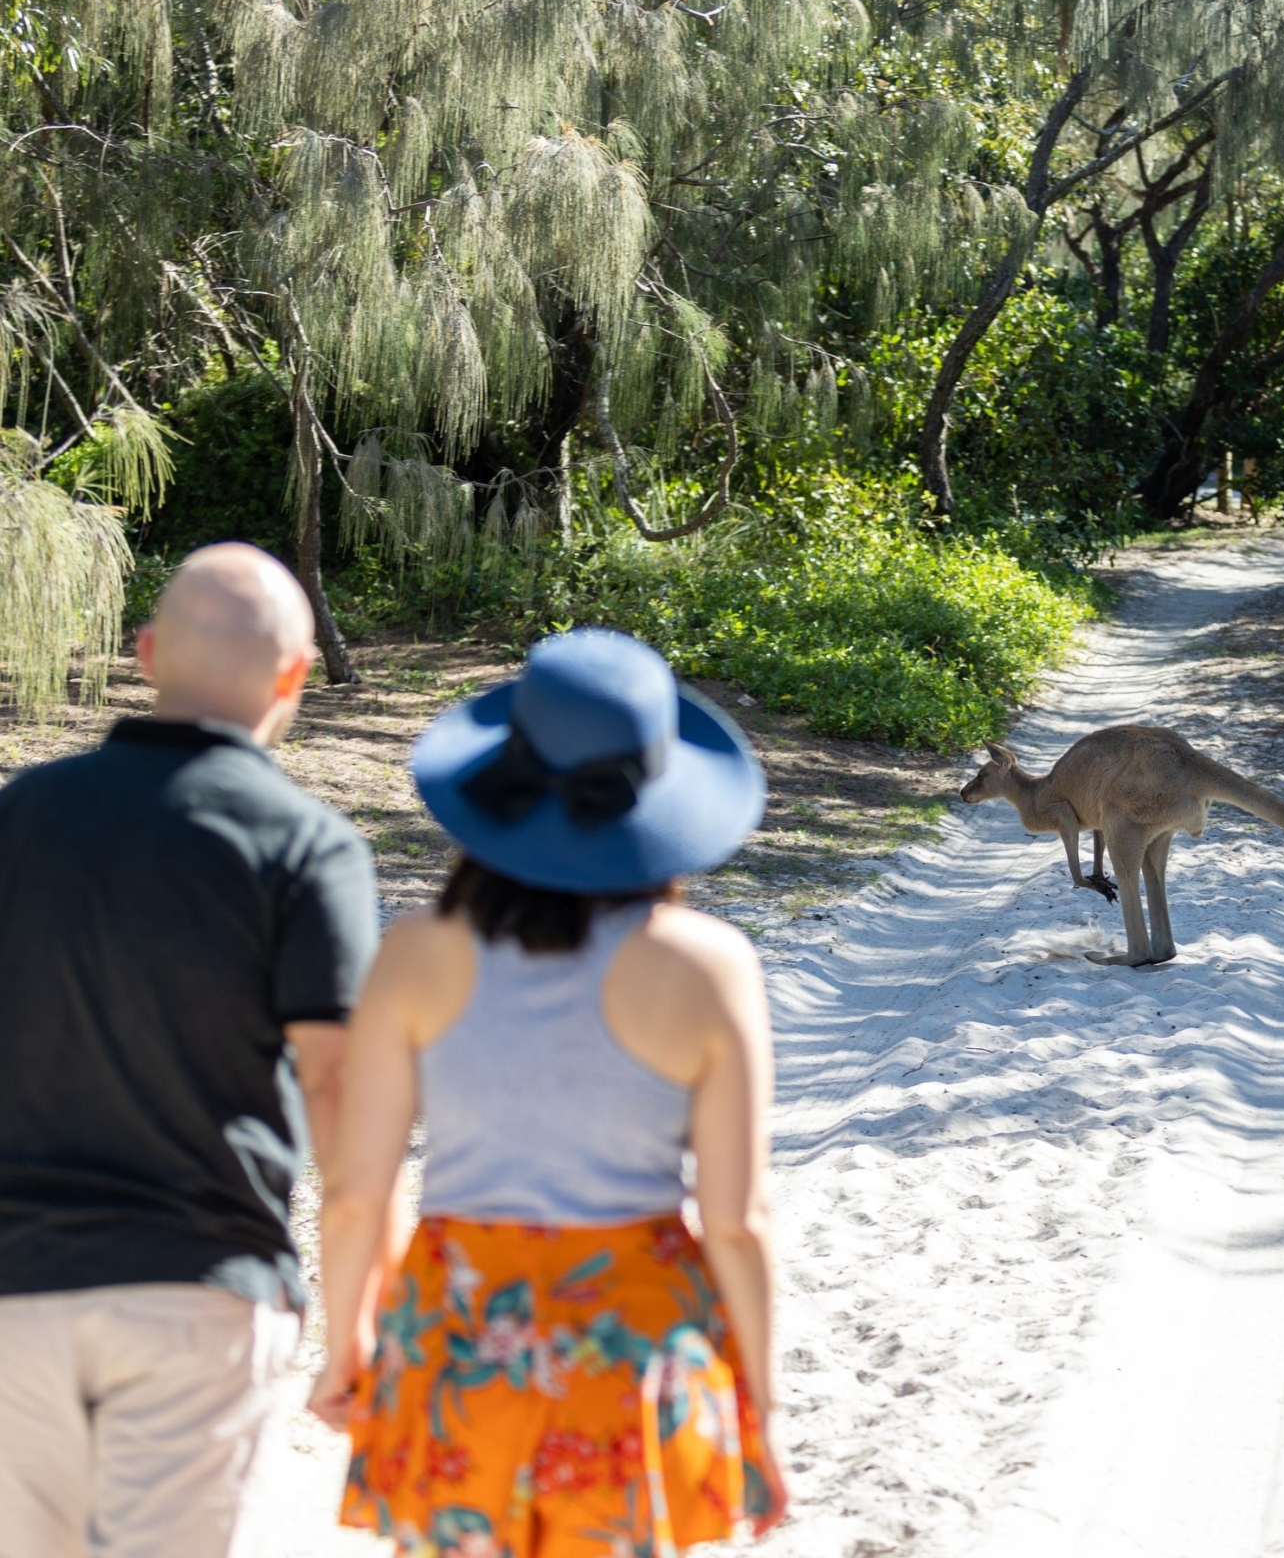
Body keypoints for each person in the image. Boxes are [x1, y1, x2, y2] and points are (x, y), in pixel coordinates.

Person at [310, 627, 788, 1557]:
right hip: (634, 1341)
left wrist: (347, 1353)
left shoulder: (414, 952)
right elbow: (738, 1222)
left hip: (455, 1330)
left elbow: (356, 1194)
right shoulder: (710, 967)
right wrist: (761, 1412)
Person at [0, 543, 379, 1558]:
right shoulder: (308, 845)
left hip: (14, 1294)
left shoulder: (20, 814)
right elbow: (340, 1096)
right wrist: (352, 1327)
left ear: (148, 652)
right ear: (296, 676)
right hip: (200, 1288)